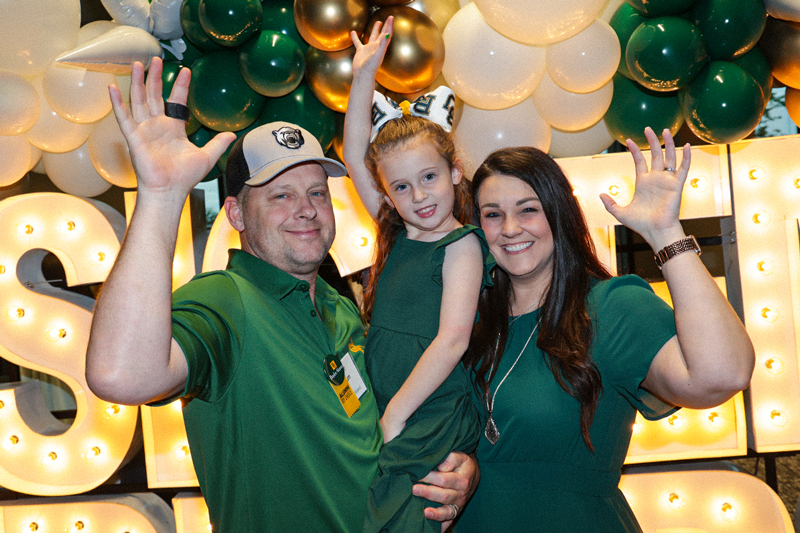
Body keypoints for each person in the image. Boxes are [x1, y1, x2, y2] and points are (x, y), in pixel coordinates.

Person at [85, 56, 477, 533]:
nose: (306, 210)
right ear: (235, 214)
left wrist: (457, 472)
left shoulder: (343, 311)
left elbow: (373, 441)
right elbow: (120, 375)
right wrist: (161, 196)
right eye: (280, 195)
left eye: (316, 192)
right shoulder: (226, 301)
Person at [458, 128, 755, 532]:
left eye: (528, 210)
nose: (509, 228)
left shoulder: (610, 308)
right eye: (492, 214)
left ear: (559, 214)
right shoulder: (463, 322)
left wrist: (665, 232)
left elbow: (723, 375)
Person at [342, 17, 493, 533]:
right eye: (401, 187)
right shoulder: (396, 231)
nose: (419, 196)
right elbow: (356, 150)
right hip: (390, 405)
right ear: (386, 193)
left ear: (454, 172)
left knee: (409, 521)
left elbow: (451, 342)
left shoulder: (463, 245)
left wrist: (394, 417)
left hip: (427, 410)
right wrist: (363, 76)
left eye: (429, 177)